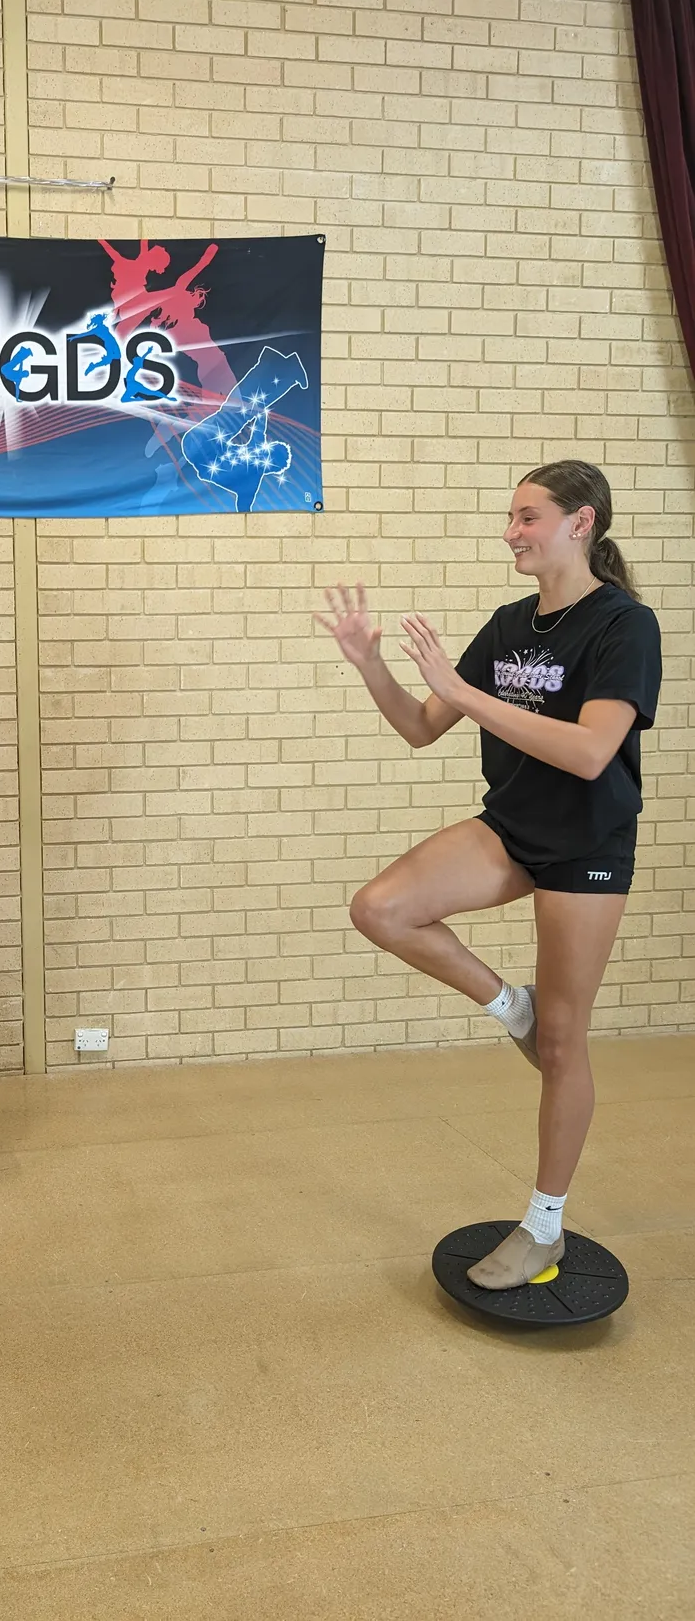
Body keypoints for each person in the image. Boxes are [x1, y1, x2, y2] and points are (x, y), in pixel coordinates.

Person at [317, 461, 661, 1290]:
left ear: (581, 523)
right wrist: (370, 664)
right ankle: (510, 1005)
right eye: (510, 517)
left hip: (587, 843)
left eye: (527, 517)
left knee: (564, 1040)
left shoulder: (623, 625)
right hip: (511, 826)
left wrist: (466, 697)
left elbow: (588, 753)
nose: (510, 531)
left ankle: (543, 1223)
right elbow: (418, 725)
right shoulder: (509, 624)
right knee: (382, 908)